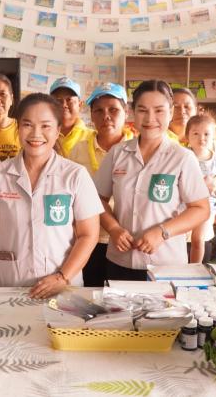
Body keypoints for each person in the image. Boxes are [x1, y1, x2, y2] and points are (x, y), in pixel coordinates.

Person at [0, 93, 102, 298]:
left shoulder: (75, 175)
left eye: (45, 126)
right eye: (27, 125)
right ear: (18, 128)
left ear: (58, 130)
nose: (36, 134)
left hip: (63, 288)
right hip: (8, 285)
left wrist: (62, 277)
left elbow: (89, 235)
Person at [94, 80, 211, 280]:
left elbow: (201, 209)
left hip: (166, 265)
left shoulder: (182, 157)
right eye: (142, 110)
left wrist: (162, 232)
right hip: (120, 261)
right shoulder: (117, 153)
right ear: (132, 112)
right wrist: (113, 229)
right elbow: (98, 199)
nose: (150, 119)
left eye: (159, 110)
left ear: (170, 112)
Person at [68, 82, 133, 286]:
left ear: (126, 113)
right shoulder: (77, 151)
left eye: (113, 109)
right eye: (99, 111)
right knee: (89, 296)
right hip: (88, 239)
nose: (106, 116)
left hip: (126, 240)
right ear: (91, 116)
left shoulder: (138, 150)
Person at [186, 113, 216, 263]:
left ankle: (195, 268)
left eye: (206, 134)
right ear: (187, 136)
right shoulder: (183, 156)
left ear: (214, 136)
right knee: (181, 240)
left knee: (198, 239)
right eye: (196, 134)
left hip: (207, 207)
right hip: (184, 206)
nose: (201, 138)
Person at [49, 77, 94, 157]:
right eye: (58, 100)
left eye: (69, 100)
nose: (64, 105)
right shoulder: (42, 135)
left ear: (80, 105)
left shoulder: (93, 138)